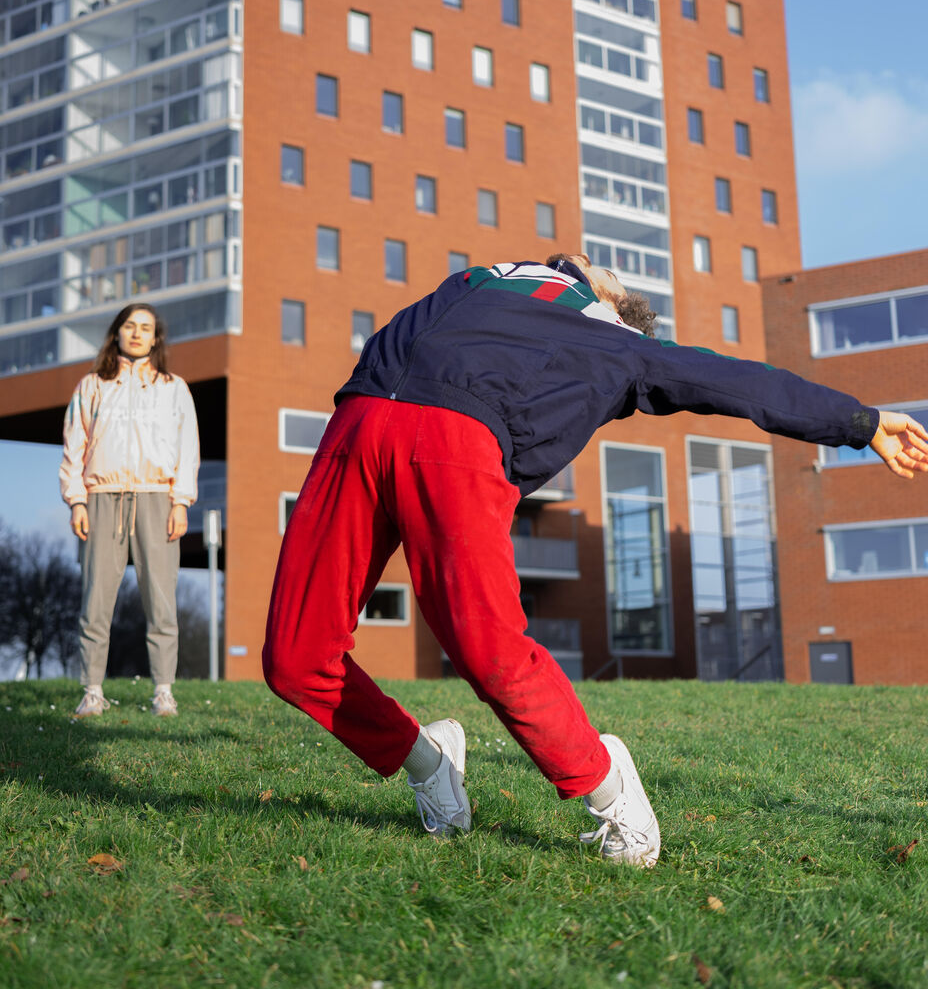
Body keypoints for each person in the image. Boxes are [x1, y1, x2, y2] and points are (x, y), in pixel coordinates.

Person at [262, 254, 928, 867]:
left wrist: (859, 423)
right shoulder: (484, 277)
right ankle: (425, 760)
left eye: (602, 267)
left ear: (614, 302)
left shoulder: (618, 341)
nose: (583, 254)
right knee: (294, 657)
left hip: (455, 438)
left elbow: (735, 383)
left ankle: (610, 794)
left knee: (486, 646)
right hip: (361, 418)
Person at [60, 302, 200, 718]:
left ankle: (163, 691)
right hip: (101, 501)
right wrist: (77, 501)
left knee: (161, 602)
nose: (137, 333)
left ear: (156, 338)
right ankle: (92, 691)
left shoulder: (174, 388)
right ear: (116, 333)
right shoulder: (91, 386)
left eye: (146, 328)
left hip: (157, 500)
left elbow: (188, 449)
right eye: (129, 326)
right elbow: (74, 447)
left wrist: (181, 502)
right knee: (95, 602)